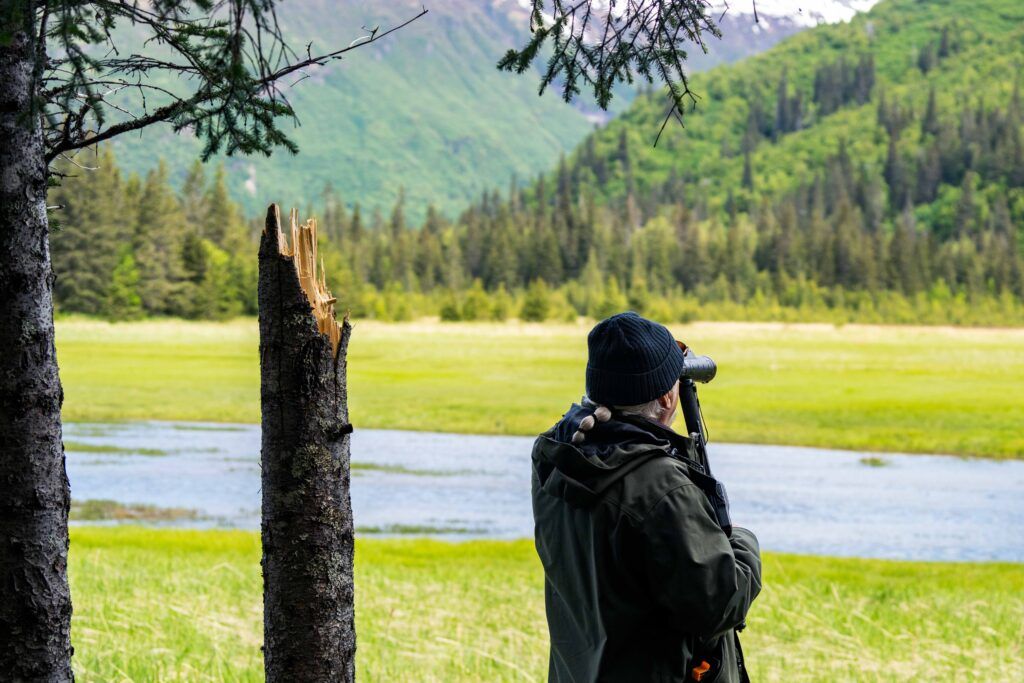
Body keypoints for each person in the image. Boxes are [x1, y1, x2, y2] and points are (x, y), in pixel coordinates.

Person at [532, 311, 761, 682]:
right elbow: (719, 604)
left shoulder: (555, 456)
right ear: (668, 397)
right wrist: (741, 542)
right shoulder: (661, 487)